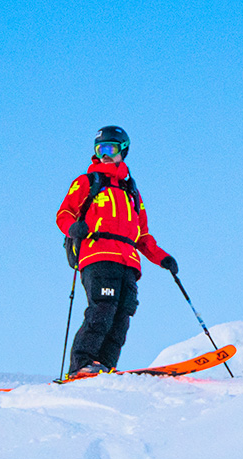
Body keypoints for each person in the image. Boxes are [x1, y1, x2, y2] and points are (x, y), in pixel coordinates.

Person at [56, 126, 178, 377]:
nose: (105, 155)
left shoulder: (131, 192)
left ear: (123, 150)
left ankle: (104, 365)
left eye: (110, 149)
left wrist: (162, 258)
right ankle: (82, 364)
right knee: (103, 308)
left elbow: (142, 235)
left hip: (129, 262)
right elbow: (64, 214)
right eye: (100, 150)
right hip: (98, 255)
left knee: (122, 316)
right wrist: (73, 227)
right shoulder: (87, 182)